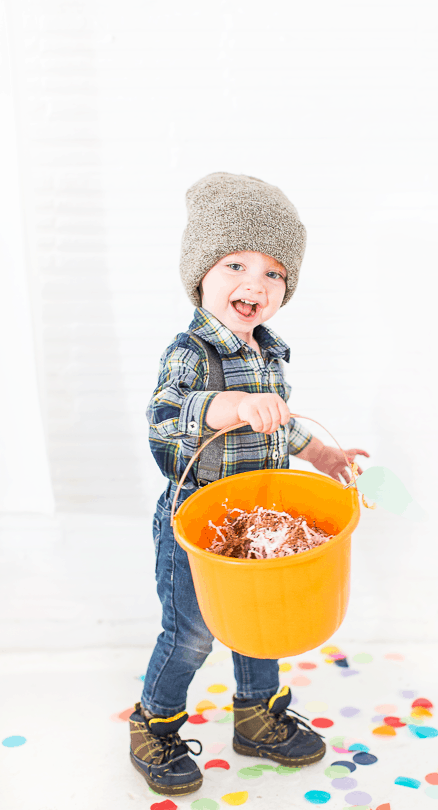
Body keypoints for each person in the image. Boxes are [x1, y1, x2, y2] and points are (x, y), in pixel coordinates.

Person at [129, 172, 369, 797]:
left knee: (264, 618)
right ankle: (154, 724)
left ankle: (258, 715)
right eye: (235, 263)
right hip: (200, 520)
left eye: (273, 273)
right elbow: (163, 417)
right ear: (201, 273)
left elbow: (278, 424)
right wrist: (224, 405)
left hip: (260, 520)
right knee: (192, 630)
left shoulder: (268, 353)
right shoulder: (189, 353)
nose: (254, 284)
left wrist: (319, 450)